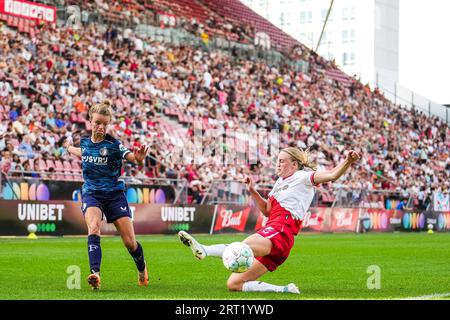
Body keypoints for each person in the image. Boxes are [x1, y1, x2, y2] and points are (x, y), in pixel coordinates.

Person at [178, 147, 361, 294]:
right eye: (278, 161)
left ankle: (205, 250)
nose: (278, 164)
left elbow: (332, 175)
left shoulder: (303, 177)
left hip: (281, 230)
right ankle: (284, 290)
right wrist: (252, 191)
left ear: (294, 164)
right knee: (234, 283)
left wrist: (348, 161)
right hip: (276, 235)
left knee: (243, 247)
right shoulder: (279, 183)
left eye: (282, 161)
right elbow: (267, 210)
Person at [63, 101, 150, 290]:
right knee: (93, 227)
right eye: (97, 123)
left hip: (114, 195)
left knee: (130, 242)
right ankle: (95, 274)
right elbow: (82, 152)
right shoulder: (85, 143)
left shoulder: (114, 145)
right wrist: (68, 147)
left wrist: (139, 160)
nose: (100, 127)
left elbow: (132, 157)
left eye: (104, 123)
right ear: (90, 122)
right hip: (92, 194)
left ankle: (142, 270)